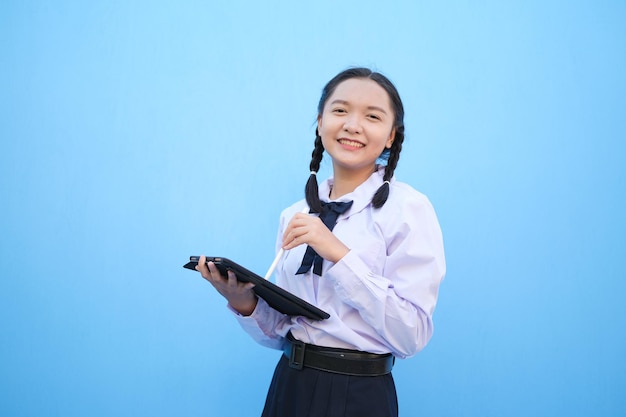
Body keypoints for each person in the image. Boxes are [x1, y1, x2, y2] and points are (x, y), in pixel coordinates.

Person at [196, 67, 446, 417]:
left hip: (359, 392)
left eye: (372, 116)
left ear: (391, 136)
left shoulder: (408, 210)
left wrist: (339, 255)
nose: (353, 125)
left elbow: (412, 336)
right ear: (320, 121)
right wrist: (244, 302)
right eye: (340, 110)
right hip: (289, 384)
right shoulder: (295, 215)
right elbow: (281, 332)